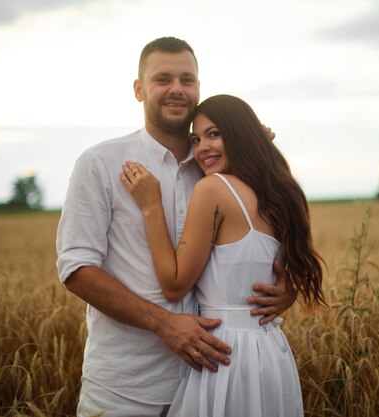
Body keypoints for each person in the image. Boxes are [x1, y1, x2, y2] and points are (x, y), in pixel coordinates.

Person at [56, 37, 296, 417]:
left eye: (188, 79)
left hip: (211, 380)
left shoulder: (216, 164)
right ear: (138, 89)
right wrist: (163, 324)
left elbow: (271, 233)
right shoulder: (100, 162)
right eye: (162, 79)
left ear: (199, 88)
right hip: (126, 386)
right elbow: (76, 269)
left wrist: (288, 288)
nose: (177, 89)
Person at [120, 94, 326, 416]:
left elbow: (174, 285)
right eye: (196, 139)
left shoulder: (213, 189)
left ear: (240, 134)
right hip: (270, 351)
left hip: (224, 355)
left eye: (214, 134)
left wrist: (151, 206)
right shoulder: (283, 192)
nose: (202, 147)